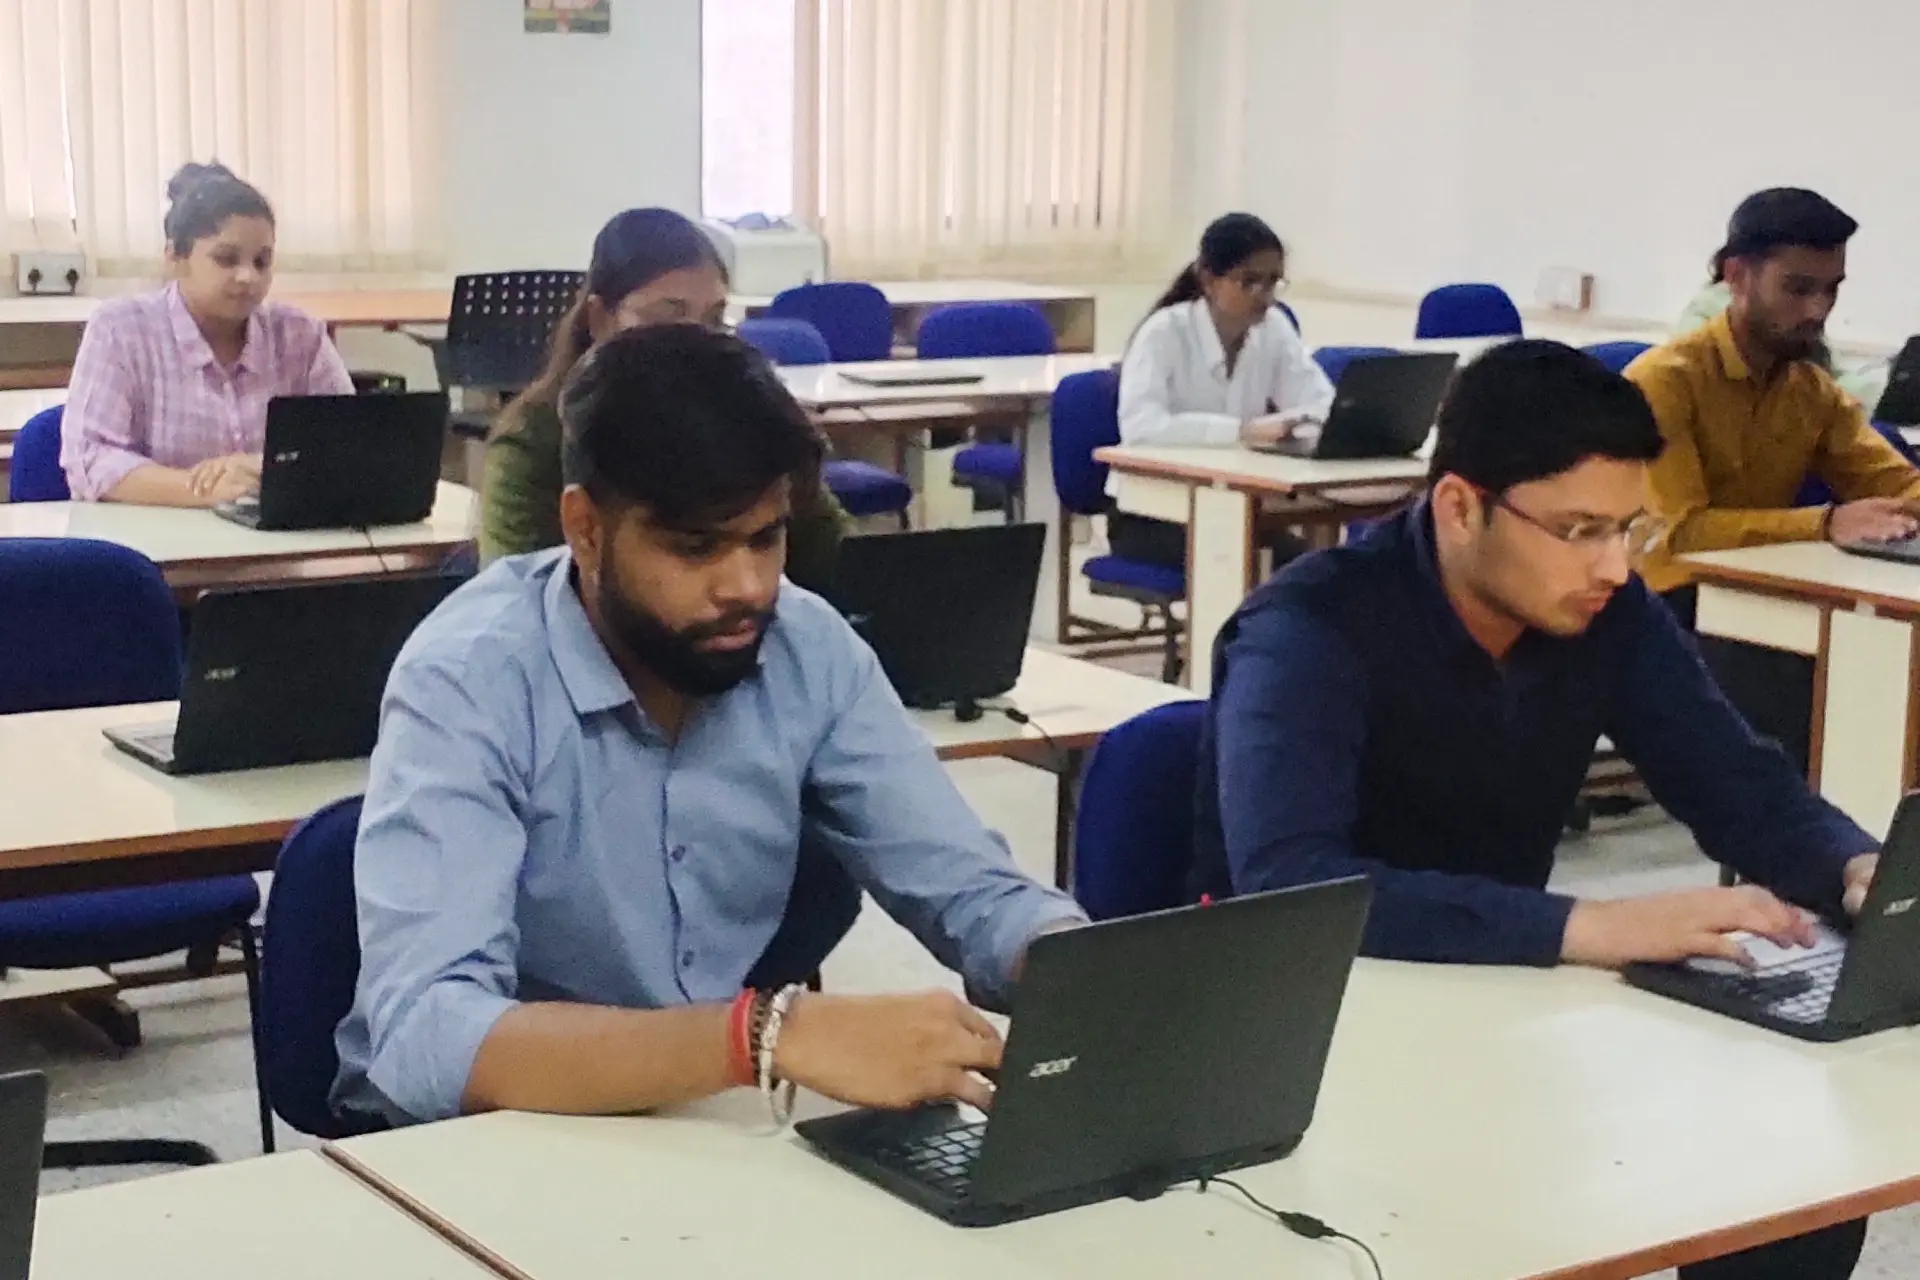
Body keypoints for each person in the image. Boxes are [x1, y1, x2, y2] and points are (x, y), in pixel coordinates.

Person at [1197, 340, 1878, 1280]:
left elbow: (1734, 778)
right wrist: (1591, 926)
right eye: (1579, 530)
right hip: (1303, 1036)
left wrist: (1855, 867)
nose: (1613, 567)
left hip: (1508, 1000)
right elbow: (1293, 884)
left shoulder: (1606, 612)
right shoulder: (1309, 630)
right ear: (1460, 507)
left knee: (1796, 1187)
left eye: (1627, 529)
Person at [334, 324, 1084, 1125]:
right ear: (586, 529)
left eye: (767, 538)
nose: (748, 587)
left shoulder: (806, 646)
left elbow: (971, 890)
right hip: (483, 1139)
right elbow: (427, 1037)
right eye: (696, 548)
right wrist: (760, 1036)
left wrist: (1082, 968)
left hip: (700, 1120)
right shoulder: (469, 677)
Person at [1632, 188, 1920, 773]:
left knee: (1880, 663)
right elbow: (1678, 535)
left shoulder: (1809, 391)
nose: (1818, 310)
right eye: (1798, 288)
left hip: (1762, 598)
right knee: (1827, 688)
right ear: (1736, 275)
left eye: (1832, 289)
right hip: (1667, 604)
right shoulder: (1665, 381)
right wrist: (1825, 523)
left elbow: (1897, 484)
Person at [481, 207, 849, 593]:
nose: (695, 339)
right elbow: (513, 597)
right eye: (667, 317)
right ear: (601, 320)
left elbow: (829, 559)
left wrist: (793, 453)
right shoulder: (531, 441)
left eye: (713, 320)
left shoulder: (742, 416)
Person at [59, 162, 354, 506]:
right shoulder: (120, 330)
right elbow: (90, 459)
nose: (248, 276)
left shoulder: (300, 336)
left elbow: (350, 447)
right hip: (156, 535)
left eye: (262, 262)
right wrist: (201, 488)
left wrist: (264, 468)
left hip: (275, 534)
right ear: (175, 257)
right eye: (226, 259)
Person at [1111, 212, 1335, 568]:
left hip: (1238, 503)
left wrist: (1298, 425)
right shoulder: (1164, 332)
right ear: (1209, 280)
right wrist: (1241, 432)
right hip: (1152, 514)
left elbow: (1319, 401)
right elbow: (1141, 427)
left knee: (1312, 567)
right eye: (1249, 282)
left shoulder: (1274, 329)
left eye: (1273, 282)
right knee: (1243, 559)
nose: (1264, 296)